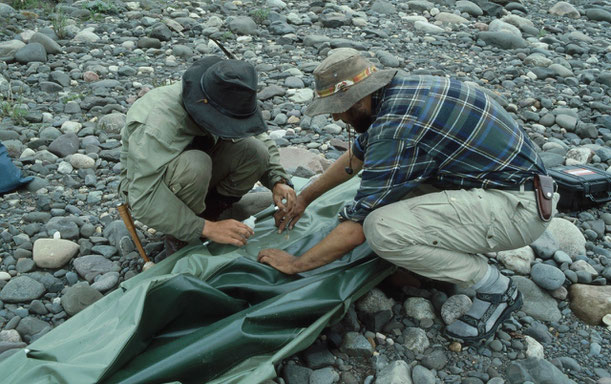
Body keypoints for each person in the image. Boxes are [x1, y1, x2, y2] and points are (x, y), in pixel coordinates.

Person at [257, 48, 558, 343]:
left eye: (338, 107)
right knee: (389, 196)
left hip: (519, 210)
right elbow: (357, 155)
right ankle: (445, 253)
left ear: (359, 98)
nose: (336, 117)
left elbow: (357, 228)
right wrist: (305, 198)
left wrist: (296, 264)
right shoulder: (401, 91)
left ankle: (496, 288)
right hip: (503, 185)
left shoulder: (396, 127)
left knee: (382, 228)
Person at [118, 56, 296, 255]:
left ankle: (212, 214)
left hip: (198, 165)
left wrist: (277, 180)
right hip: (152, 187)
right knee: (196, 164)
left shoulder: (225, 93)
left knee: (255, 151)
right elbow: (142, 200)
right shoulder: (157, 125)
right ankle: (183, 233)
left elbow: (255, 134)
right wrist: (207, 229)